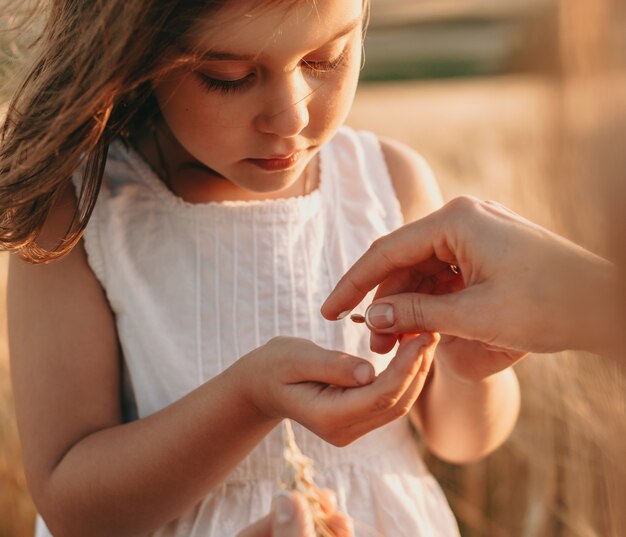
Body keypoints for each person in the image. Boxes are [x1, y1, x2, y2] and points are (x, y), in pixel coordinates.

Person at [1, 1, 519, 535]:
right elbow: (71, 506)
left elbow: (460, 440)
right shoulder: (77, 213)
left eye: (326, 58)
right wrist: (250, 399)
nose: (292, 116)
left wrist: (467, 363)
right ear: (138, 53)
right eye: (229, 77)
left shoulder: (388, 185)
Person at [321, 196, 623, 357]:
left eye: (323, 72)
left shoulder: (395, 173)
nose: (294, 118)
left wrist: (466, 379)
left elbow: (459, 440)